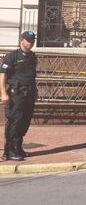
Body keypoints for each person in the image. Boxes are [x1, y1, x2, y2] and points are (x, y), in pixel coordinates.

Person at [1, 31, 39, 161]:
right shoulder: (11, 57)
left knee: (25, 121)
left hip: (29, 93)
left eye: (32, 40)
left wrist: (36, 92)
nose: (31, 42)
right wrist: (3, 93)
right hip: (16, 93)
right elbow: (3, 75)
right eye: (28, 40)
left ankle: (18, 148)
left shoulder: (32, 57)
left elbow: (32, 76)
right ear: (22, 40)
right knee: (15, 120)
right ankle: (9, 151)